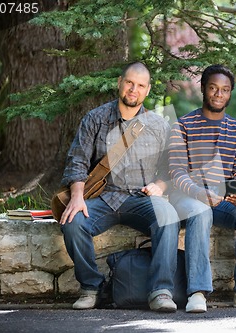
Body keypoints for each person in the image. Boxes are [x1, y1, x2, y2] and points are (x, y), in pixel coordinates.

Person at [59, 61, 180, 312]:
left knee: (167, 217)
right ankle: (91, 287)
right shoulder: (96, 118)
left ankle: (160, 291)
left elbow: (173, 167)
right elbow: (77, 160)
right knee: (72, 223)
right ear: (119, 83)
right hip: (104, 198)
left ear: (147, 91)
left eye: (140, 86)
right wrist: (77, 196)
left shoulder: (158, 124)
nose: (133, 89)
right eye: (129, 83)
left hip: (141, 199)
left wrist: (160, 185)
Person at [168, 64, 236, 313]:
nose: (218, 94)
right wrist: (199, 193)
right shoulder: (183, 125)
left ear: (230, 94)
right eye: (213, 88)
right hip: (188, 197)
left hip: (223, 197)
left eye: (225, 90)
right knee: (200, 210)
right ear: (204, 89)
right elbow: (176, 172)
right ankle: (197, 292)